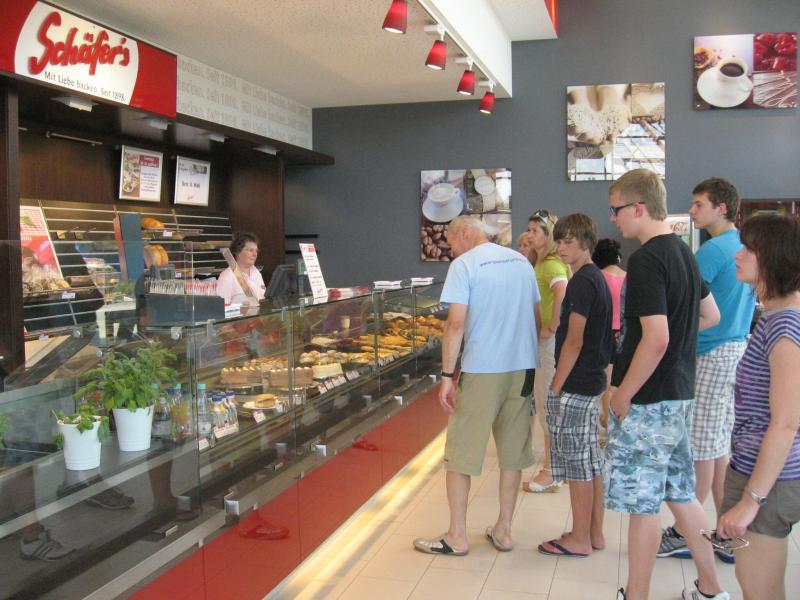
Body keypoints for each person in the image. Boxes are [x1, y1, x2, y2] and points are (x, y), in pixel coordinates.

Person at [604, 169, 728, 600]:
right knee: (680, 493)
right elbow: (711, 315)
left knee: (643, 505)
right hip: (678, 393)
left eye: (617, 209)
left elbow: (655, 338)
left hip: (648, 399)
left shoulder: (645, 260)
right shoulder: (684, 252)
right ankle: (711, 589)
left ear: (639, 207)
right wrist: (676, 340)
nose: (614, 218)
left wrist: (623, 394)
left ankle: (636, 594)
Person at [413, 215, 540, 556]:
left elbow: (455, 325)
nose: (452, 250)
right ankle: (504, 530)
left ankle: (457, 536)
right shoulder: (521, 262)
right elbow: (536, 317)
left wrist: (446, 376)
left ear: (466, 233)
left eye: (452, 242)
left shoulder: (465, 265)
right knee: (513, 452)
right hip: (523, 367)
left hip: (483, 367)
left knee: (461, 452)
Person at [658, 178, 755, 565]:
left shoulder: (714, 250)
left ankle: (686, 531)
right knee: (716, 450)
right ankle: (726, 533)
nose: (692, 211)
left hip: (712, 353)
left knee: (700, 449)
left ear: (721, 208)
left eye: (699, 205)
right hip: (733, 351)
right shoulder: (742, 245)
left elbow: (684, 304)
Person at [716, 214, 800, 600]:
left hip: (770, 483)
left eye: (748, 249)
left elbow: (786, 422)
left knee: (760, 591)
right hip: (757, 472)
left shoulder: (785, 326)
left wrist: (751, 501)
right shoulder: (774, 317)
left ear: (773, 258)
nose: (738, 255)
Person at [537, 214, 611, 558]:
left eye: (569, 241)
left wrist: (556, 385)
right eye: (560, 240)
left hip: (576, 384)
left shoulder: (582, 282)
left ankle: (580, 537)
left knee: (579, 465)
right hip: (590, 381)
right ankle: (593, 532)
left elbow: (574, 340)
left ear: (586, 242)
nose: (562, 247)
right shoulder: (595, 278)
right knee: (591, 461)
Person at [523, 210, 569, 493]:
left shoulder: (551, 265)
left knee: (548, 405)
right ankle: (555, 466)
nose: (530, 235)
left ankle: (552, 469)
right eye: (529, 230)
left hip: (548, 344)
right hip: (541, 342)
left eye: (536, 231)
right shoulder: (539, 263)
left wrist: (552, 325)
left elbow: (562, 290)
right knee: (545, 404)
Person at [592, 238, 626, 430]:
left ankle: (606, 420)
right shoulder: (627, 276)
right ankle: (618, 420)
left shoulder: (599, 277)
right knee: (619, 380)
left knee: (606, 380)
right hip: (623, 332)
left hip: (604, 332)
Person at [216, 232, 266, 305]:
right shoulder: (227, 276)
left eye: (256, 251)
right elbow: (221, 307)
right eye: (250, 250)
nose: (255, 254)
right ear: (238, 252)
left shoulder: (256, 273)